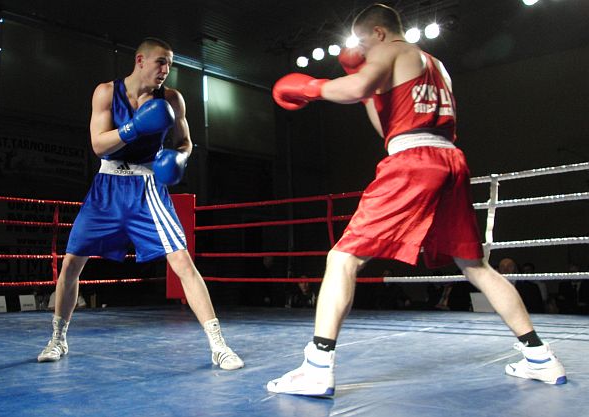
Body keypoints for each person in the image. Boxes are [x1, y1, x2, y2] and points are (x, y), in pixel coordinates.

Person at [267, 4, 566, 396]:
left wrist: (314, 87)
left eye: (364, 43)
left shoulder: (390, 49)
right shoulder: (435, 66)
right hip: (449, 161)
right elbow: (388, 129)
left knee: (342, 258)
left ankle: (317, 367)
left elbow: (358, 93)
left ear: (378, 33)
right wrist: (367, 90)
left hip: (414, 162)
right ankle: (540, 357)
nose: (364, 52)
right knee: (476, 266)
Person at [37, 37, 243, 371]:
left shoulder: (172, 99)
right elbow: (98, 145)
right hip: (107, 186)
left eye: (170, 64)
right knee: (71, 263)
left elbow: (185, 142)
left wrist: (179, 159)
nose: (166, 69)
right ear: (140, 60)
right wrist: (134, 127)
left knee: (182, 261)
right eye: (161, 61)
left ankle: (219, 346)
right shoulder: (106, 92)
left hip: (147, 187)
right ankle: (57, 338)